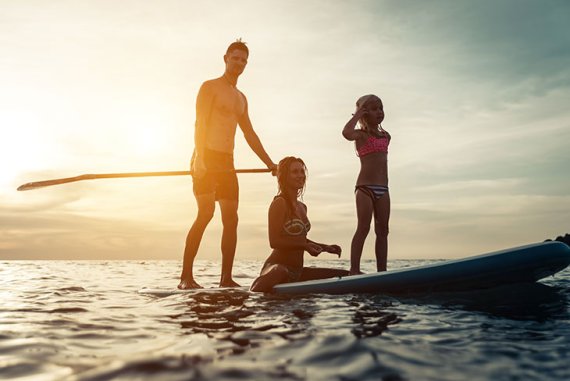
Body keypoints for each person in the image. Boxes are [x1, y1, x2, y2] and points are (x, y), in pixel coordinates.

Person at [178, 40, 277, 290]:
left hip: (227, 162)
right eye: (235, 58)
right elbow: (200, 123)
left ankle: (226, 279)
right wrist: (199, 158)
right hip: (205, 156)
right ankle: (186, 278)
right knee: (205, 213)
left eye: (244, 60)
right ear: (225, 58)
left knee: (231, 220)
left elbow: (249, 134)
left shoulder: (242, 98)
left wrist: (270, 163)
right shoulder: (209, 87)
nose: (239, 63)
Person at [250, 157, 348, 293]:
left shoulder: (303, 207)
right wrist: (304, 246)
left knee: (344, 275)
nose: (300, 176)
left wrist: (325, 247)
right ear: (284, 177)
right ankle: (252, 297)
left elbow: (301, 240)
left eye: (302, 171)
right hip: (275, 268)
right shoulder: (279, 203)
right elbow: (274, 241)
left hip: (297, 271)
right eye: (295, 172)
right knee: (280, 271)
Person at [342, 94, 391, 275]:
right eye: (373, 109)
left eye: (380, 108)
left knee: (383, 230)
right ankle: (354, 270)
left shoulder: (386, 136)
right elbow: (346, 132)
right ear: (364, 113)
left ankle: (382, 272)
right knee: (363, 227)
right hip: (365, 188)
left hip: (383, 189)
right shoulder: (360, 135)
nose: (379, 112)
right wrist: (357, 114)